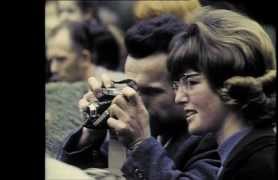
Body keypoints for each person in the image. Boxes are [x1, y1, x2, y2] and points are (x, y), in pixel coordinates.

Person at [58, 15, 220, 180]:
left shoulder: (212, 136)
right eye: (131, 87)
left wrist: (140, 144)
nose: (135, 100)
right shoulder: (138, 126)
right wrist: (91, 134)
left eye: (151, 92)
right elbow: (113, 172)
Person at [167, 8, 276, 180]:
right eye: (176, 85)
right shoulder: (244, 154)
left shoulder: (259, 166)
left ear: (231, 82)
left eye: (192, 82)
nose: (178, 98)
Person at [46, 19, 123, 82]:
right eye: (50, 60)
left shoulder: (119, 86)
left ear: (85, 58)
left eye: (61, 59)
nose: (53, 69)